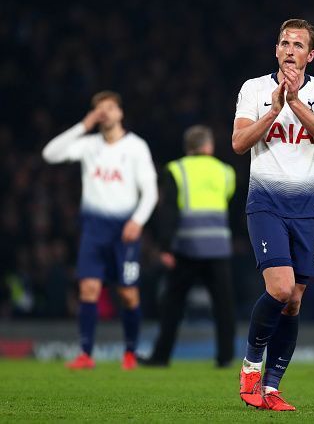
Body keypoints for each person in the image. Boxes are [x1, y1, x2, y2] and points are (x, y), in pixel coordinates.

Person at [232, 19, 314, 411]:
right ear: (276, 50)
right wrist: (274, 110)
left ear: (310, 55)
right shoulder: (254, 90)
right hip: (265, 203)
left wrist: (294, 102)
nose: (290, 49)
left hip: (307, 207)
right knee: (278, 288)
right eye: (284, 43)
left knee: (293, 301)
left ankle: (272, 389)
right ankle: (250, 369)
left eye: (298, 44)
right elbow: (239, 143)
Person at [42, 91, 158, 370]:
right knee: (88, 289)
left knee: (128, 293)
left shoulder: (135, 147)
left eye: (109, 107)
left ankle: (130, 352)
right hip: (94, 229)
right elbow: (50, 154)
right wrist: (84, 124)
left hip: (124, 230)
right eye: (99, 109)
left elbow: (150, 191)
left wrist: (137, 221)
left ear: (120, 113)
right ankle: (86, 353)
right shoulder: (89, 145)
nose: (104, 113)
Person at [139, 125, 236, 368]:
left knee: (173, 305)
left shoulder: (176, 169)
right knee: (224, 305)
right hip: (218, 247)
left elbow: (168, 212)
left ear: (188, 147)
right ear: (208, 146)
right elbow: (229, 203)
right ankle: (225, 358)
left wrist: (165, 248)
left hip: (187, 247)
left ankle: (161, 356)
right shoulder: (225, 171)